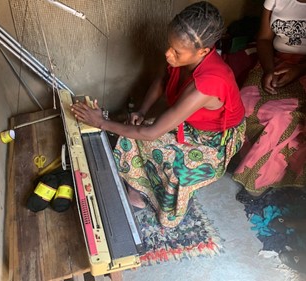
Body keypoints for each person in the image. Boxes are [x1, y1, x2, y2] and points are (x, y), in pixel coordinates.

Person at [71, 1, 246, 228]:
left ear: (203, 52)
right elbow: (163, 80)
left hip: (215, 141)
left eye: (176, 51)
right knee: (130, 133)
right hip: (191, 124)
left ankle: (167, 209)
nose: (167, 54)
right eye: (169, 46)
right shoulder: (186, 58)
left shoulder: (207, 84)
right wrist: (141, 111)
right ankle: (138, 189)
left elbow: (152, 133)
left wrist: (101, 122)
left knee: (173, 167)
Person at [233, 0, 306, 204]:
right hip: (275, 61)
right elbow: (264, 38)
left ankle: (259, 181)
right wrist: (268, 69)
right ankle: (240, 159)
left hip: (303, 68)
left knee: (283, 116)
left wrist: (298, 71)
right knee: (244, 104)